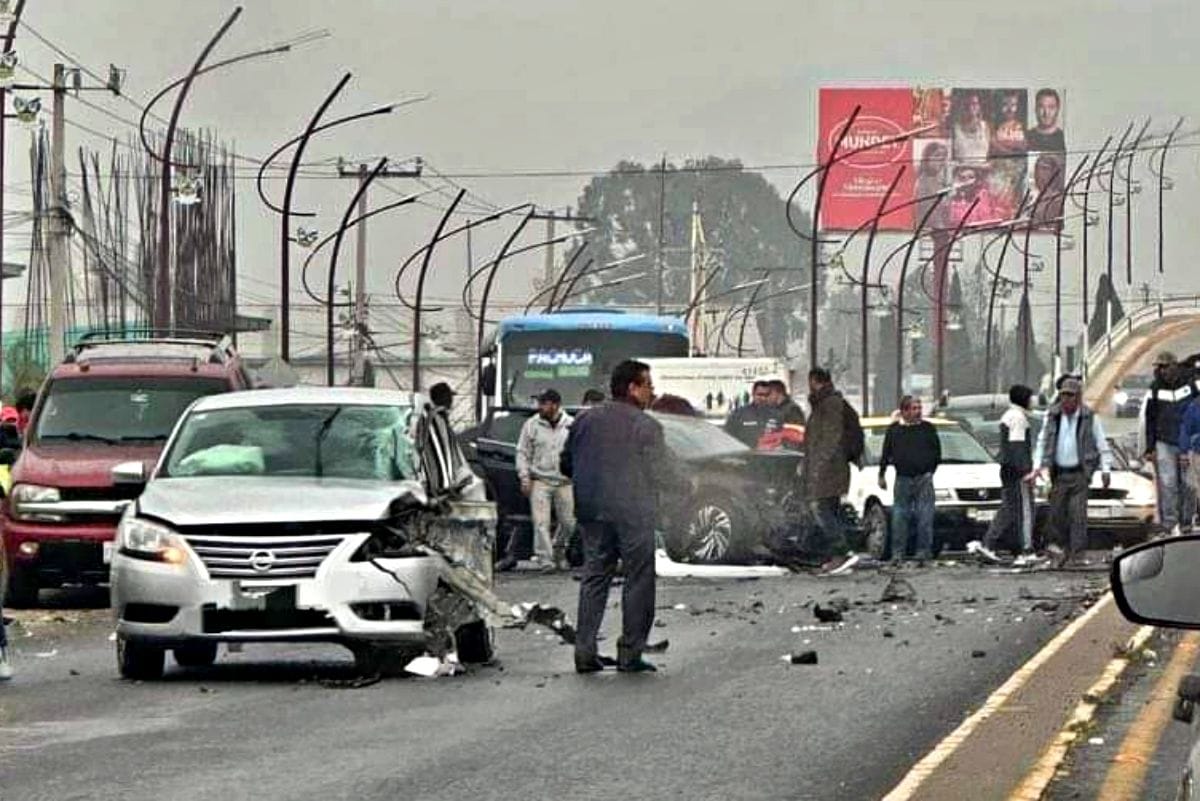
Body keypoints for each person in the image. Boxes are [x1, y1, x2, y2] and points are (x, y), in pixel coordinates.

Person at [561, 359, 681, 673]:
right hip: (632, 512)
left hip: (591, 511)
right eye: (648, 385)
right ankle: (630, 652)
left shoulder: (584, 421)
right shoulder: (645, 425)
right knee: (638, 578)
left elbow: (565, 464)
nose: (652, 392)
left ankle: (584, 652)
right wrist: (684, 484)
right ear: (632, 388)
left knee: (595, 577)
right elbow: (661, 471)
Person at [1029, 377, 1112, 566]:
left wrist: (1106, 469)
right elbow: (1042, 442)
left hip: (1080, 474)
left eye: (1071, 396)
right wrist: (1037, 467)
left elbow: (1101, 444)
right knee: (1056, 515)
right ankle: (1059, 550)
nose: (1066, 400)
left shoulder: (1089, 417)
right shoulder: (1052, 416)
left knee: (1078, 515)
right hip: (1058, 474)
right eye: (1064, 396)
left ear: (1078, 397)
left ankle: (1077, 554)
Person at [508, 389, 575, 572]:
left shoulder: (571, 424)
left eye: (543, 403)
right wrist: (524, 477)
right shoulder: (531, 425)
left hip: (565, 481)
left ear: (555, 405)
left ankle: (560, 548)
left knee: (569, 523)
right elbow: (522, 452)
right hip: (540, 480)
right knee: (540, 522)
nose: (540, 407)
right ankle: (546, 560)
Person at [804, 367, 862, 571]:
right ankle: (837, 553)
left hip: (829, 469)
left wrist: (818, 464)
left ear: (815, 381)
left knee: (820, 508)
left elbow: (830, 437)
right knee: (830, 510)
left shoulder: (829, 405)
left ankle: (842, 552)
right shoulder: (826, 403)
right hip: (831, 467)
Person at [878, 396, 941, 563]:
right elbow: (886, 453)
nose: (918, 411)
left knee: (925, 517)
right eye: (914, 408)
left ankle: (923, 552)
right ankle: (898, 554)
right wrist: (881, 474)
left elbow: (936, 451)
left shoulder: (928, 428)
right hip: (903, 479)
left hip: (923, 478)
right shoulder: (894, 430)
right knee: (900, 517)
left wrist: (930, 470)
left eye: (919, 408)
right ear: (904, 411)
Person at [1143, 351, 1199, 533]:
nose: (1161, 371)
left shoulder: (1191, 384)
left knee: (1188, 485)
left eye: (1164, 366)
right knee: (1168, 484)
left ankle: (1186, 521)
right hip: (1164, 442)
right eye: (1159, 367)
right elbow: (1150, 418)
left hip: (1188, 443)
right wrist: (1150, 447)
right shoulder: (1155, 388)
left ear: (1174, 366)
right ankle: (1169, 523)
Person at [980, 384, 1037, 561]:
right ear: (1023, 399)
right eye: (1030, 398)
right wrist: (1026, 472)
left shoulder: (1008, 415)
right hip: (1017, 471)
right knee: (1025, 510)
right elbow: (1017, 446)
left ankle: (988, 543)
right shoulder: (1018, 418)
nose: (1032, 401)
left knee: (1008, 509)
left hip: (1007, 469)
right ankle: (1026, 549)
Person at [723, 380, 779, 447]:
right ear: (753, 393)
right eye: (760, 394)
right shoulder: (738, 414)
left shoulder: (777, 415)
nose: (763, 398)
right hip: (745, 455)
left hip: (769, 455)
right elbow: (726, 438)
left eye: (766, 395)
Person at [952, 92, 991, 164]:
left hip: (982, 171)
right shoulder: (955, 129)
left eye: (974, 103)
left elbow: (989, 153)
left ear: (979, 106)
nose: (970, 107)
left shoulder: (985, 127)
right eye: (967, 104)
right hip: (961, 171)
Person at [1026, 88, 1065, 153]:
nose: (1046, 113)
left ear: (1057, 110)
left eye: (1051, 107)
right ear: (1035, 109)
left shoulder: (1062, 137)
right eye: (1041, 107)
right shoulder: (1027, 137)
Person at [990, 90, 1027, 157]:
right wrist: (1015, 145)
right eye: (1005, 104)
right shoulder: (994, 126)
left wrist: (1002, 143)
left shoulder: (1022, 125)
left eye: (1013, 105)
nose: (1009, 109)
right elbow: (993, 145)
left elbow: (1025, 145)